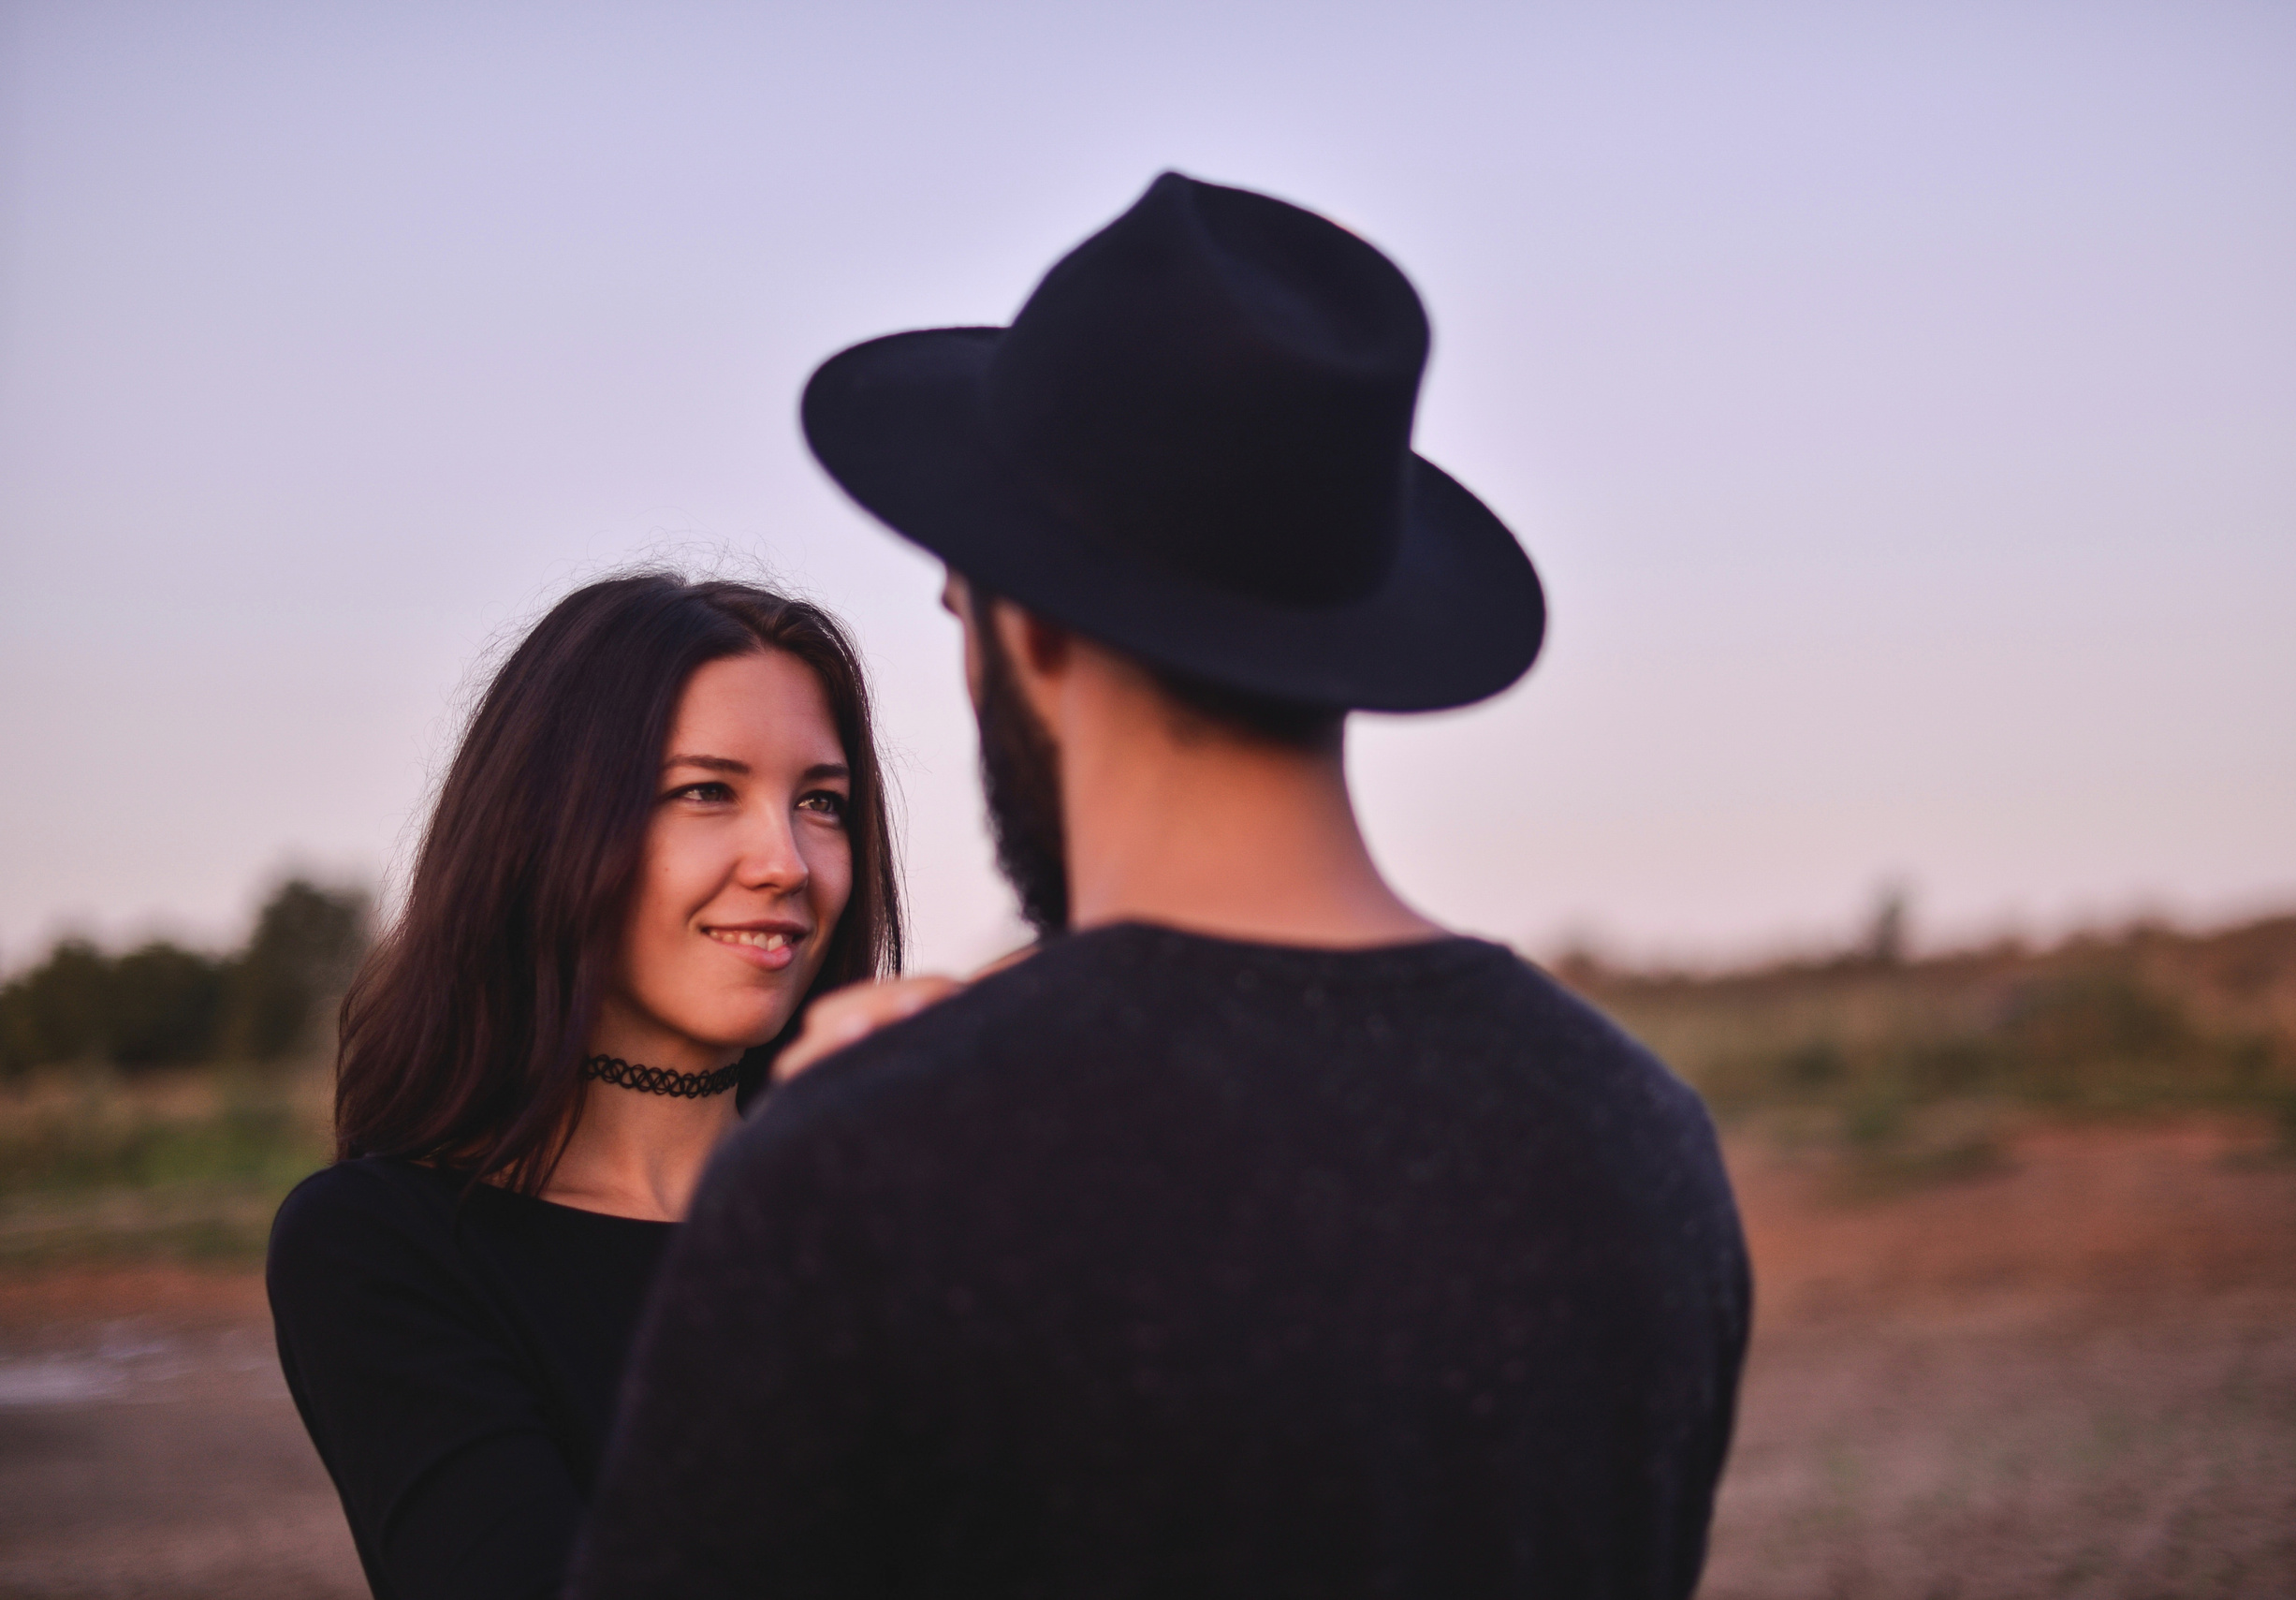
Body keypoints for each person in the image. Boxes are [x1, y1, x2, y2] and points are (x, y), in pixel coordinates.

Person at [573, 173, 1750, 1598]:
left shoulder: (867, 1178)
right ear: (1357, 630)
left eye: (962, 613)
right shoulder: (1645, 1141)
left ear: (1037, 630)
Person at [266, 573, 902, 1600]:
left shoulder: (895, 1213)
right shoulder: (384, 1245)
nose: (786, 859)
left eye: (820, 802)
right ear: (548, 821)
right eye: (706, 790)